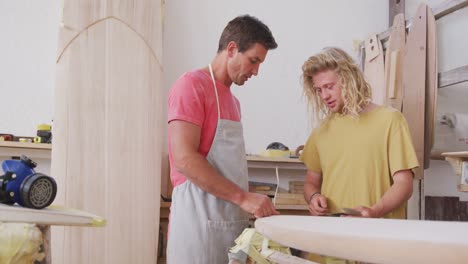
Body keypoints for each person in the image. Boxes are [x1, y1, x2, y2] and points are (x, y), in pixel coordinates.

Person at [166, 15, 279, 264]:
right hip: (196, 226)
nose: (256, 71)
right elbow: (185, 159)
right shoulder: (191, 86)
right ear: (231, 49)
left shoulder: (233, 102)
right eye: (253, 61)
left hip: (230, 226)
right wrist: (244, 198)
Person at [300, 47, 418, 219]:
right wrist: (313, 197)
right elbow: (311, 182)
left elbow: (404, 184)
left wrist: (374, 211)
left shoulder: (390, 120)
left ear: (349, 79)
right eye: (319, 90)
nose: (324, 96)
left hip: (379, 234)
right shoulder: (321, 130)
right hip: (332, 234)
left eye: (329, 87)